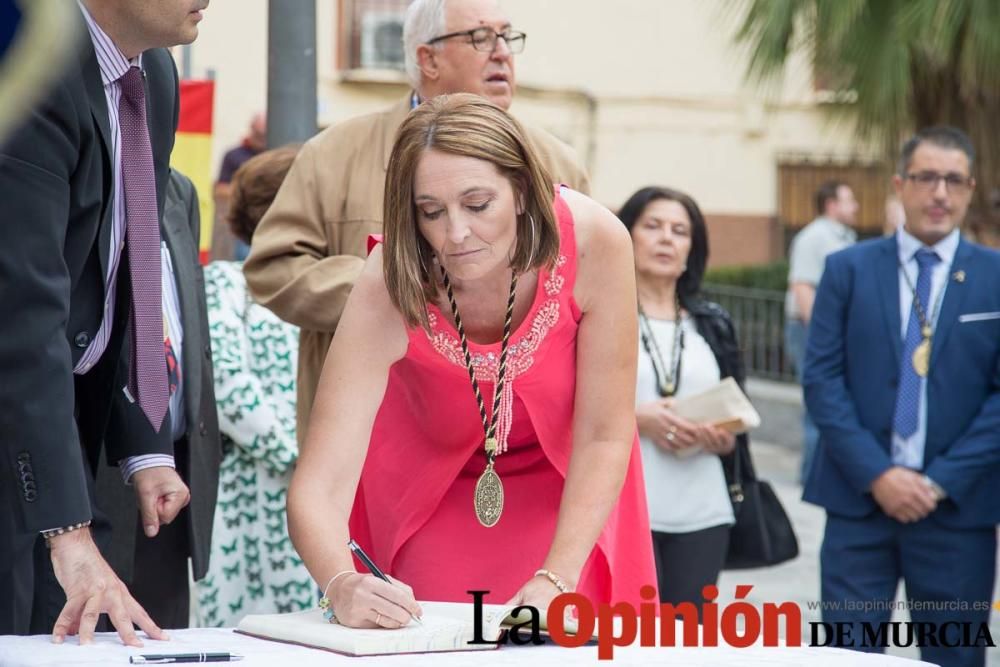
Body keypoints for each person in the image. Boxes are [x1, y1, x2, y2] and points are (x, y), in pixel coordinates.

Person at [287, 94, 656, 628]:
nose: (455, 234)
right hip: (432, 500)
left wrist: (555, 579)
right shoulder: (387, 279)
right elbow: (318, 483)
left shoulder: (598, 241)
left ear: (524, 192)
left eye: (478, 205)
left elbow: (604, 434)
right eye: (431, 212)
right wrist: (339, 583)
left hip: (573, 496)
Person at [244, 0, 590, 447]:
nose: (502, 52)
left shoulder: (556, 164)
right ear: (427, 59)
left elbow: (583, 297)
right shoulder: (333, 154)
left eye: (507, 36)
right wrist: (396, 289)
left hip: (508, 441)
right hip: (369, 440)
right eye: (481, 38)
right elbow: (271, 269)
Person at [0, 0, 209, 646]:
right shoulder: (29, 66)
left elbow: (123, 274)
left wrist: (141, 439)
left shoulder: (158, 76)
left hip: (58, 428)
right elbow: (21, 309)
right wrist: (68, 529)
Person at [803, 126, 1000, 667]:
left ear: (970, 188)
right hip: (858, 506)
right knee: (847, 656)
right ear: (899, 184)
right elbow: (821, 379)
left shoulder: (995, 277)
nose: (940, 192)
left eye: (953, 180)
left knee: (955, 657)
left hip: (957, 513)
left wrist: (937, 482)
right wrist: (879, 475)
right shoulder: (847, 269)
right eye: (927, 177)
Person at [95, 168, 221, 630]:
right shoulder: (75, 170)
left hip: (173, 472)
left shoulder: (177, 189)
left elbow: (189, 326)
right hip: (94, 476)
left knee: (161, 638)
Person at [196, 146, 312, 627]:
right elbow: (226, 383)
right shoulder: (227, 282)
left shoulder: (323, 286)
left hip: (321, 498)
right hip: (251, 500)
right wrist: (300, 458)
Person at [618, 187, 740, 616]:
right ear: (625, 236)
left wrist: (723, 437)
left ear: (692, 248)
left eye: (679, 230)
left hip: (703, 510)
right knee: (627, 643)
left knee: (688, 644)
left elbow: (736, 415)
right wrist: (637, 419)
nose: (666, 238)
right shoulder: (598, 317)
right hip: (624, 510)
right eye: (652, 226)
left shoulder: (713, 324)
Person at [783, 180, 858, 481]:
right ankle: (811, 477)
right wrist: (824, 336)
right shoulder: (813, 238)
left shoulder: (843, 236)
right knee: (817, 401)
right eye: (850, 200)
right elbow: (802, 287)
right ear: (831, 205)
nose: (855, 207)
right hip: (809, 332)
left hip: (831, 334)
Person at [212, 112, 267, 261]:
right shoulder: (234, 155)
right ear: (251, 129)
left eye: (264, 134)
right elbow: (221, 190)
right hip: (245, 224)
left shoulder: (273, 155)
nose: (261, 138)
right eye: (258, 133)